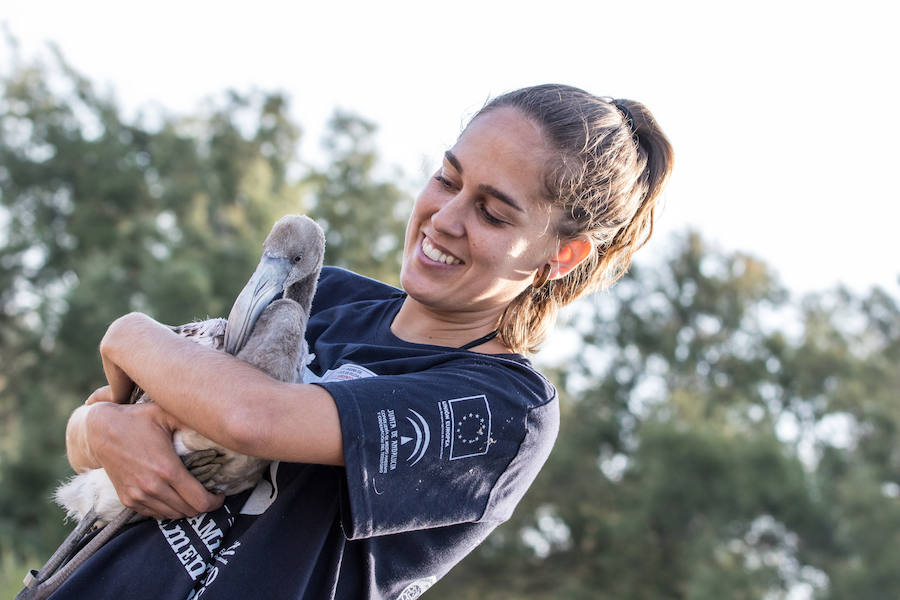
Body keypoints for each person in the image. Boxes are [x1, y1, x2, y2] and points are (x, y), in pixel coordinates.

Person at [57, 84, 673, 599]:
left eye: (492, 213)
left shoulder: (503, 408)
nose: (445, 218)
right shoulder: (328, 298)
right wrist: (103, 431)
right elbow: (105, 420)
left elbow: (249, 416)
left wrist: (128, 331)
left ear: (561, 256)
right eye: (447, 179)